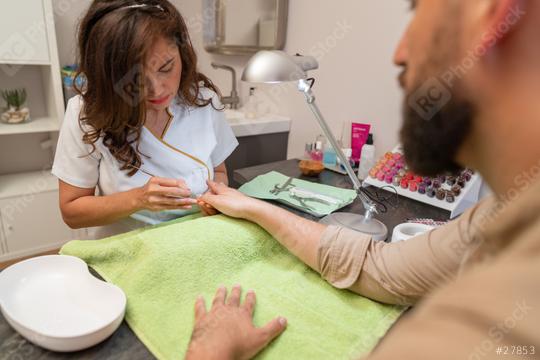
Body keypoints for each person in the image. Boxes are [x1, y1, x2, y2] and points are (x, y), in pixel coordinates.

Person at [185, 0, 540, 358]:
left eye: (417, 10)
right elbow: (378, 266)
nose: (399, 55)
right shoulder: (499, 216)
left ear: (491, 14)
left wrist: (210, 351)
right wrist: (253, 206)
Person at [52, 0, 238, 238]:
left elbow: (218, 173)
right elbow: (72, 212)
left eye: (166, 67)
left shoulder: (203, 100)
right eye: (135, 79)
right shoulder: (87, 113)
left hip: (197, 239)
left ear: (182, 54)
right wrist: (138, 199)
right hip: (127, 250)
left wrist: (215, 197)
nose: (156, 90)